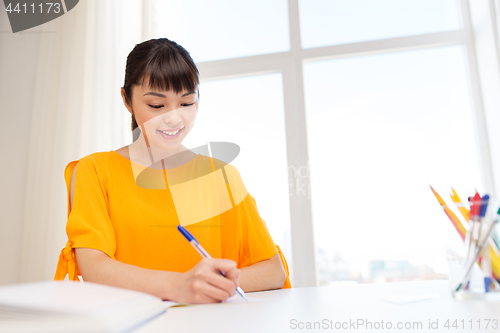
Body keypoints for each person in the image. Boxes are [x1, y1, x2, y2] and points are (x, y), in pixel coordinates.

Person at [54, 38, 291, 304]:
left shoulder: (222, 176)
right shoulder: (95, 170)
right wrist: (180, 285)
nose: (174, 118)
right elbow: (94, 267)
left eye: (187, 103)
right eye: (157, 105)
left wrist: (205, 285)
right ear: (126, 99)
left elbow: (272, 270)